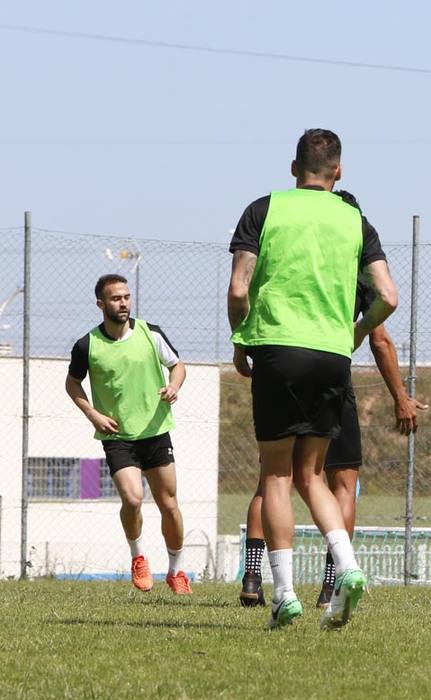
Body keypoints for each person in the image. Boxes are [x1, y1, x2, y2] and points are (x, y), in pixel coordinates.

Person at [228, 128, 398, 629]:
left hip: (278, 350)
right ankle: (346, 565)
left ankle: (283, 594)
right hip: (331, 355)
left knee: (277, 474)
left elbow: (240, 289)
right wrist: (356, 331)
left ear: (293, 167)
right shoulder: (354, 219)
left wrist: (241, 338)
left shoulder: (264, 209)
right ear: (338, 171)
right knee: (313, 475)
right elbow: (388, 293)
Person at [65, 274, 190, 594]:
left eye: (126, 297)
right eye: (116, 298)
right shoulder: (87, 345)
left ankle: (176, 571)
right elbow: (72, 383)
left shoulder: (150, 333)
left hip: (155, 430)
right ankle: (138, 558)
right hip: (118, 436)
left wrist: (174, 386)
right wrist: (93, 414)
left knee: (169, 504)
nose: (123, 303)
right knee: (132, 499)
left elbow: (177, 365)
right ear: (100, 304)